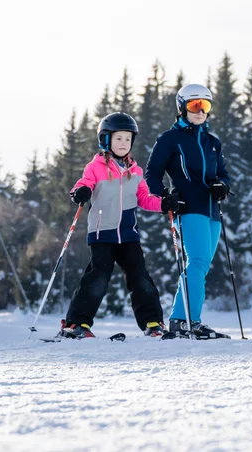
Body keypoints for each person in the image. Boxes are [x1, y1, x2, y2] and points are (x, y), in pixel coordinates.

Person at [58, 112, 177, 340]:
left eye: (127, 139)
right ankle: (77, 323)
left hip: (129, 235)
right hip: (102, 234)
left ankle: (153, 323)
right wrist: (79, 191)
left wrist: (163, 204)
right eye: (118, 138)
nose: (123, 143)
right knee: (98, 277)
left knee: (140, 277)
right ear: (106, 140)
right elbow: (84, 184)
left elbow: (144, 199)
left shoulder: (136, 172)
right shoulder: (96, 168)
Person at [144, 84, 233, 340]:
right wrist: (165, 198)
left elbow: (223, 175)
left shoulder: (212, 142)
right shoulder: (170, 139)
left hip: (212, 211)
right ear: (182, 107)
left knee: (201, 266)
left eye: (205, 106)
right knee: (197, 262)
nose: (200, 111)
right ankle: (187, 321)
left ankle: (180, 319)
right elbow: (152, 174)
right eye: (195, 105)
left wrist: (221, 187)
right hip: (188, 207)